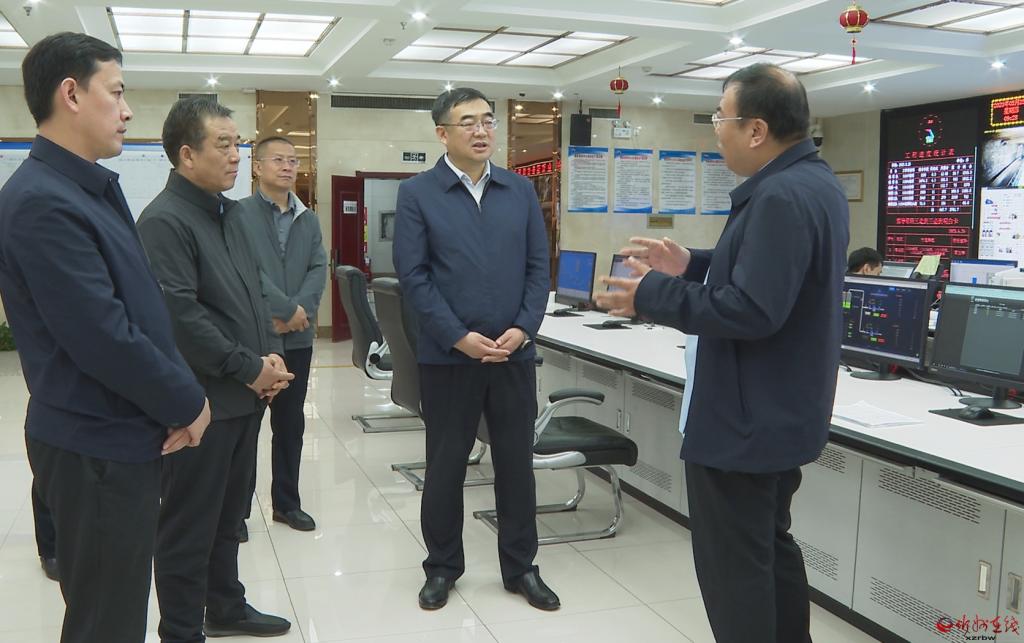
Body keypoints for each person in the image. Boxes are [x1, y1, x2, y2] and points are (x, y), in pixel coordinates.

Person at [596, 63, 849, 643]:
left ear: (756, 129)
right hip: (778, 413)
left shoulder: (779, 195)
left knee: (735, 571)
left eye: (720, 118)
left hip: (744, 422)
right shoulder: (813, 183)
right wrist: (692, 265)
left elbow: (753, 309)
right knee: (770, 549)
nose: (716, 130)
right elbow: (770, 274)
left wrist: (650, 295)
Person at [0, 32, 210, 643]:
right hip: (94, 444)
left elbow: (138, 309)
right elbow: (103, 335)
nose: (127, 110)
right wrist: (188, 401)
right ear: (71, 94)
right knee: (105, 622)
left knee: (115, 608)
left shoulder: (83, 186)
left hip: (119, 433)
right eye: (115, 93)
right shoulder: (43, 200)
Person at [393, 87, 557, 612]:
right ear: (442, 133)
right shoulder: (418, 193)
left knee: (516, 465)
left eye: (488, 120)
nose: (482, 130)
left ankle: (521, 567)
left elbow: (539, 268)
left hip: (513, 355)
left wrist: (524, 328)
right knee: (446, 466)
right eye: (468, 122)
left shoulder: (519, 191)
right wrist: (457, 336)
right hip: (449, 357)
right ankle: (442, 566)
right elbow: (414, 277)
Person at [137, 96, 294, 641]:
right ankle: (182, 629)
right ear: (186, 154)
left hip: (244, 396)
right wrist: (249, 367)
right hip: (200, 404)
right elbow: (181, 318)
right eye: (223, 144)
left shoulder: (231, 213)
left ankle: (225, 606)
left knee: (230, 517)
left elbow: (253, 292)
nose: (235, 155)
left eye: (238, 143)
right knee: (189, 524)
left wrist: (269, 356)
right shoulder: (164, 221)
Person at [237, 136, 327, 534]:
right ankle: (236, 512)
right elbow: (245, 271)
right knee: (245, 427)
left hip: (298, 340)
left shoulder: (308, 218)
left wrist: (299, 313)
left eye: (293, 160)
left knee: (290, 425)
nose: (288, 166)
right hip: (256, 338)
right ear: (257, 167)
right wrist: (286, 311)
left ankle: (287, 504)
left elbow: (318, 268)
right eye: (278, 160)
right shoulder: (238, 215)